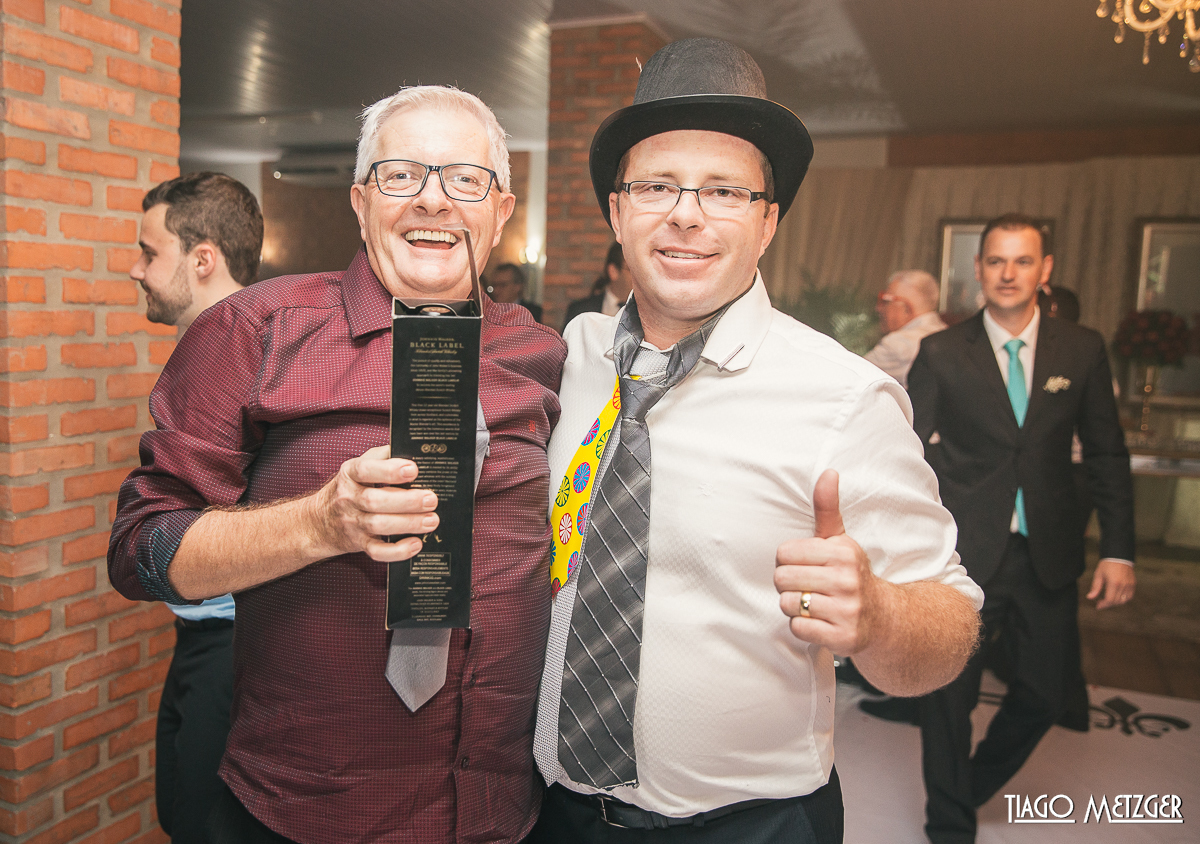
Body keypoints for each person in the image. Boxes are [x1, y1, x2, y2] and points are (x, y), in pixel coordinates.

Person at [527, 38, 983, 844]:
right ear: (616, 212)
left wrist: (877, 615)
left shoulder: (844, 397)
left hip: (749, 826)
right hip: (557, 813)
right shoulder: (577, 355)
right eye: (657, 185)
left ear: (768, 222)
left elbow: (949, 632)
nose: (687, 214)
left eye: (726, 191)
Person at [108, 86, 566, 844]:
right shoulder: (254, 329)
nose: (433, 201)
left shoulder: (543, 355)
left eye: (464, 178)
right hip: (300, 814)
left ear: (502, 210)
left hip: (498, 815)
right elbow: (141, 552)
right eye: (400, 176)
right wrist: (318, 524)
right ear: (359, 202)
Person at [906, 213, 1136, 844]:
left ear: (1046, 270)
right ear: (979, 270)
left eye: (1023, 261)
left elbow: (1107, 451)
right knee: (949, 696)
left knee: (1044, 695)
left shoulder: (1080, 348)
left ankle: (966, 787)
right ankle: (949, 822)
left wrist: (1120, 551)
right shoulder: (941, 352)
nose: (1008, 274)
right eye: (996, 261)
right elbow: (906, 456)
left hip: (1048, 551)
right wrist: (907, 544)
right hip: (963, 554)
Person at [128, 172, 263, 844]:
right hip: (196, 635)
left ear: (201, 258)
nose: (136, 269)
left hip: (242, 648)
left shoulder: (265, 357)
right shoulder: (200, 354)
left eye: (150, 253)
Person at [863, 270, 947, 388]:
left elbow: (849, 376)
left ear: (907, 308)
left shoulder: (897, 344)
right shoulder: (947, 335)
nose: (878, 308)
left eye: (885, 301)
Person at [561, 240, 634, 328]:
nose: (638, 276)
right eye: (632, 270)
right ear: (613, 271)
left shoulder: (647, 312)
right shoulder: (580, 311)